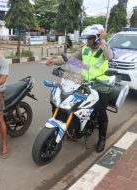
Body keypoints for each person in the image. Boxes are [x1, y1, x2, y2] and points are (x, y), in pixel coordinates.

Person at [46, 24, 114, 153]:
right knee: (64, 100)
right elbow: (72, 60)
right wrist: (54, 61)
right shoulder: (85, 49)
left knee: (101, 112)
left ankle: (102, 139)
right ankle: (71, 128)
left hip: (100, 84)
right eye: (87, 38)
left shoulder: (103, 49)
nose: (87, 41)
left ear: (97, 38)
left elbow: (110, 56)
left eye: (89, 38)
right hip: (83, 81)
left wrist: (103, 39)